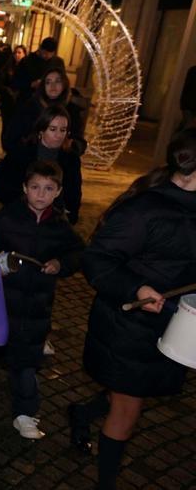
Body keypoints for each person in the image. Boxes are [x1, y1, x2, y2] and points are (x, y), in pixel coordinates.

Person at [69, 128, 196, 489]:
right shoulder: (145, 210)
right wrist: (137, 287)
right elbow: (97, 259)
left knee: (125, 392)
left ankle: (81, 413)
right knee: (128, 408)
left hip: (172, 323)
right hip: (127, 325)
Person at [0, 160, 84, 439]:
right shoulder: (7, 218)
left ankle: (25, 413)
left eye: (48, 188)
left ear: (58, 192)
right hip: (2, 301)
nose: (41, 194)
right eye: (35, 187)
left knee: (27, 360)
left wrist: (60, 263)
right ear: (24, 188)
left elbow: (78, 253)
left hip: (36, 307)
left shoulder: (60, 226)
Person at [0, 105, 84, 223]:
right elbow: (0, 185)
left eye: (63, 130)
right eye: (53, 129)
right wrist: (21, 205)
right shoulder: (20, 153)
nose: (58, 135)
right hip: (19, 216)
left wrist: (68, 216)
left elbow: (74, 194)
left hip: (54, 220)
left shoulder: (71, 159)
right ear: (41, 130)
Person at [2, 67, 86, 155]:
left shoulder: (72, 111)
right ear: (43, 86)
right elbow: (11, 138)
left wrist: (71, 145)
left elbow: (80, 143)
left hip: (60, 159)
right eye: (48, 82)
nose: (53, 86)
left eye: (57, 81)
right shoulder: (29, 108)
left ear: (64, 85)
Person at [13, 37, 65, 106]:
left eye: (50, 54)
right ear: (40, 48)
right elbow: (15, 82)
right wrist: (31, 84)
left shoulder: (58, 62)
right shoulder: (27, 61)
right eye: (44, 53)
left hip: (49, 102)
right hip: (27, 101)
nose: (46, 56)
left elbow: (63, 81)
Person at [0, 45, 27, 145]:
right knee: (6, 126)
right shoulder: (8, 67)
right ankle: (5, 146)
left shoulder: (27, 69)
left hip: (20, 103)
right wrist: (8, 91)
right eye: (15, 52)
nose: (17, 55)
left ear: (24, 54)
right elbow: (1, 83)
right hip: (7, 102)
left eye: (20, 52)